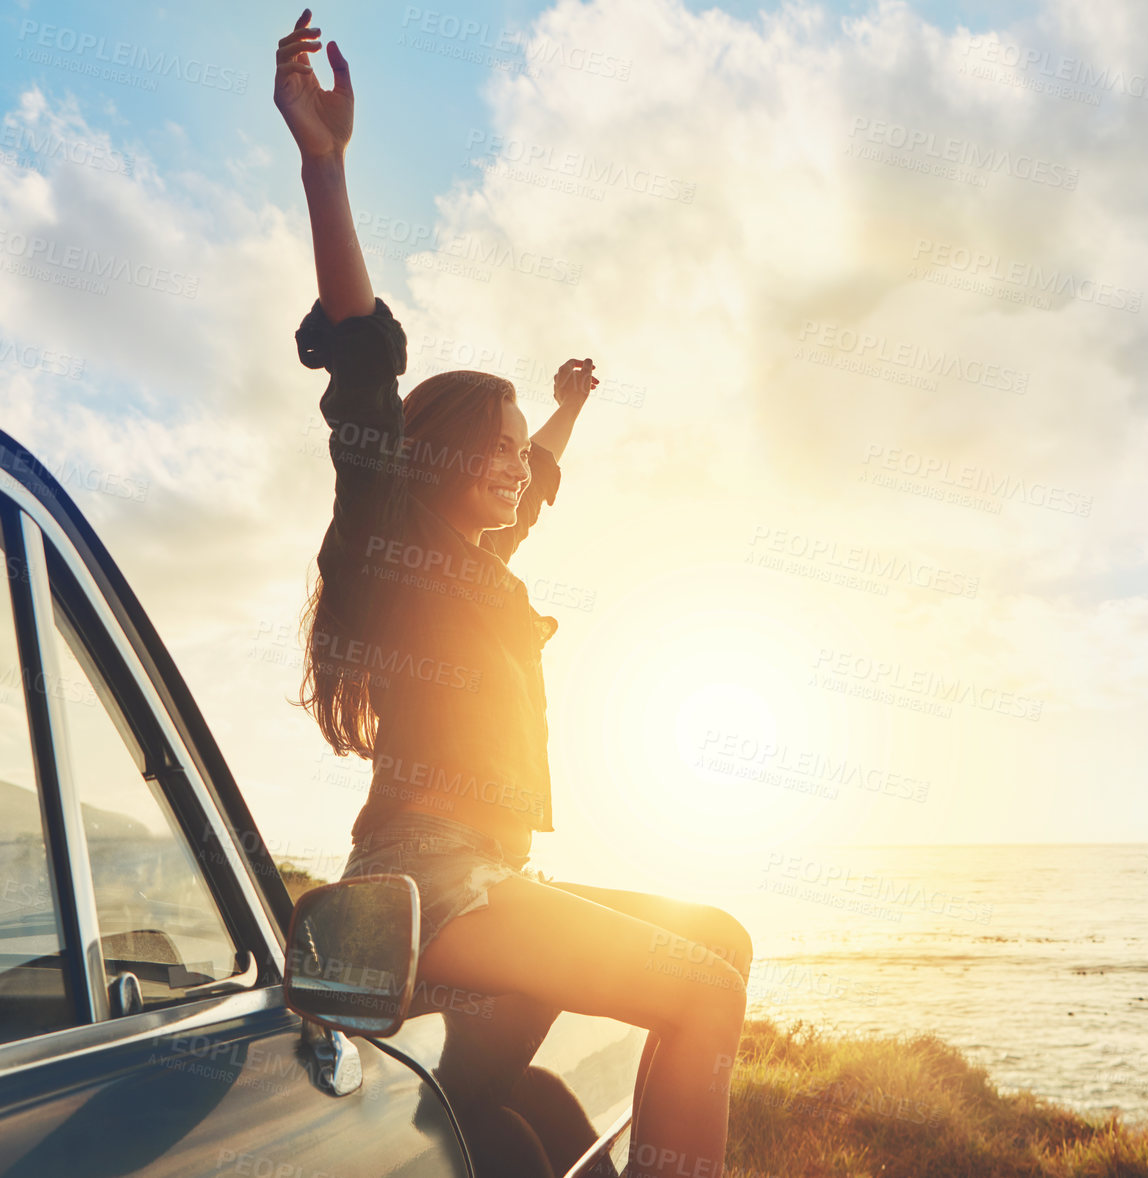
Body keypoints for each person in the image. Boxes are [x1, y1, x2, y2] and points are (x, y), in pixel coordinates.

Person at [273, 11, 751, 1177]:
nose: (508, 462)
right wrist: (325, 167)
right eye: (484, 443)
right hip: (433, 877)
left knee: (719, 938)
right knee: (699, 989)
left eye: (511, 445)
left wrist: (565, 406)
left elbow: (531, 483)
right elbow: (362, 363)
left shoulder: (480, 566)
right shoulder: (393, 548)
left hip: (495, 872)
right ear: (428, 460)